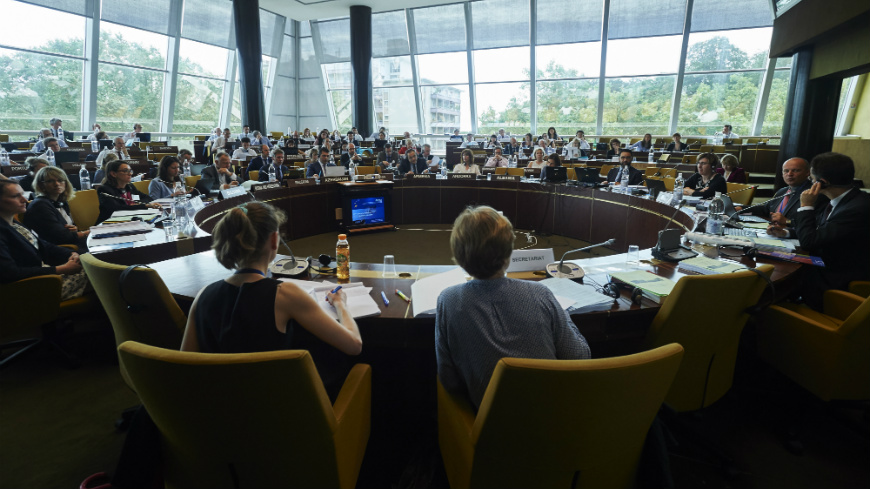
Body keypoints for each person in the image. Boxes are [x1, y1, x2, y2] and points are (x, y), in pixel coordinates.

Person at [180, 201, 362, 400]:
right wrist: (340, 304)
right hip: (276, 417)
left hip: (220, 416)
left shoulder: (203, 296)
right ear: (274, 240)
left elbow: (186, 366)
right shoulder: (285, 294)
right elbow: (353, 345)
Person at [435, 205, 591, 410]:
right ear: (509, 254)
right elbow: (579, 357)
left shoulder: (448, 301)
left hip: (490, 432)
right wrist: (562, 315)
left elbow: (450, 380)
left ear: (459, 255)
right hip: (555, 426)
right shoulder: (541, 294)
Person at [768, 153, 870, 309]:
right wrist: (786, 233)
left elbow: (810, 241)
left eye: (811, 179)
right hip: (826, 264)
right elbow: (820, 230)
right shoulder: (846, 200)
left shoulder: (856, 208)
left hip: (834, 279)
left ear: (822, 183)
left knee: (772, 286)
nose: (810, 183)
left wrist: (806, 206)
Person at [0, 180, 89, 300]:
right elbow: (10, 273)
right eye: (16, 196)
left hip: (47, 275)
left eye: (22, 194)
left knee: (97, 264)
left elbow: (44, 246)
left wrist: (72, 253)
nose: (24, 200)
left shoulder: (14, 223)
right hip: (32, 288)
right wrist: (60, 269)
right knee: (102, 274)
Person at [23, 166, 89, 249]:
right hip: (59, 250)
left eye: (60, 180)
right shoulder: (40, 205)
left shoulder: (61, 201)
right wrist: (87, 233)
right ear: (41, 185)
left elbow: (68, 228)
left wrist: (74, 229)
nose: (57, 184)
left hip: (73, 242)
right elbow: (61, 237)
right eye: (50, 181)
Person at [746, 158, 811, 227]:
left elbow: (810, 225)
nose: (789, 174)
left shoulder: (811, 194)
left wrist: (787, 221)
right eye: (786, 171)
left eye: (795, 170)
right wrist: (740, 209)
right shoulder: (783, 191)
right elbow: (766, 209)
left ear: (807, 172)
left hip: (791, 235)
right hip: (772, 231)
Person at [96, 160, 161, 224]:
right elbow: (118, 208)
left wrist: (137, 204)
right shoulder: (104, 190)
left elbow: (148, 198)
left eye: (130, 171)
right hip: (109, 224)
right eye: (125, 171)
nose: (130, 174)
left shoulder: (130, 187)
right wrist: (144, 206)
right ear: (113, 174)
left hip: (130, 221)